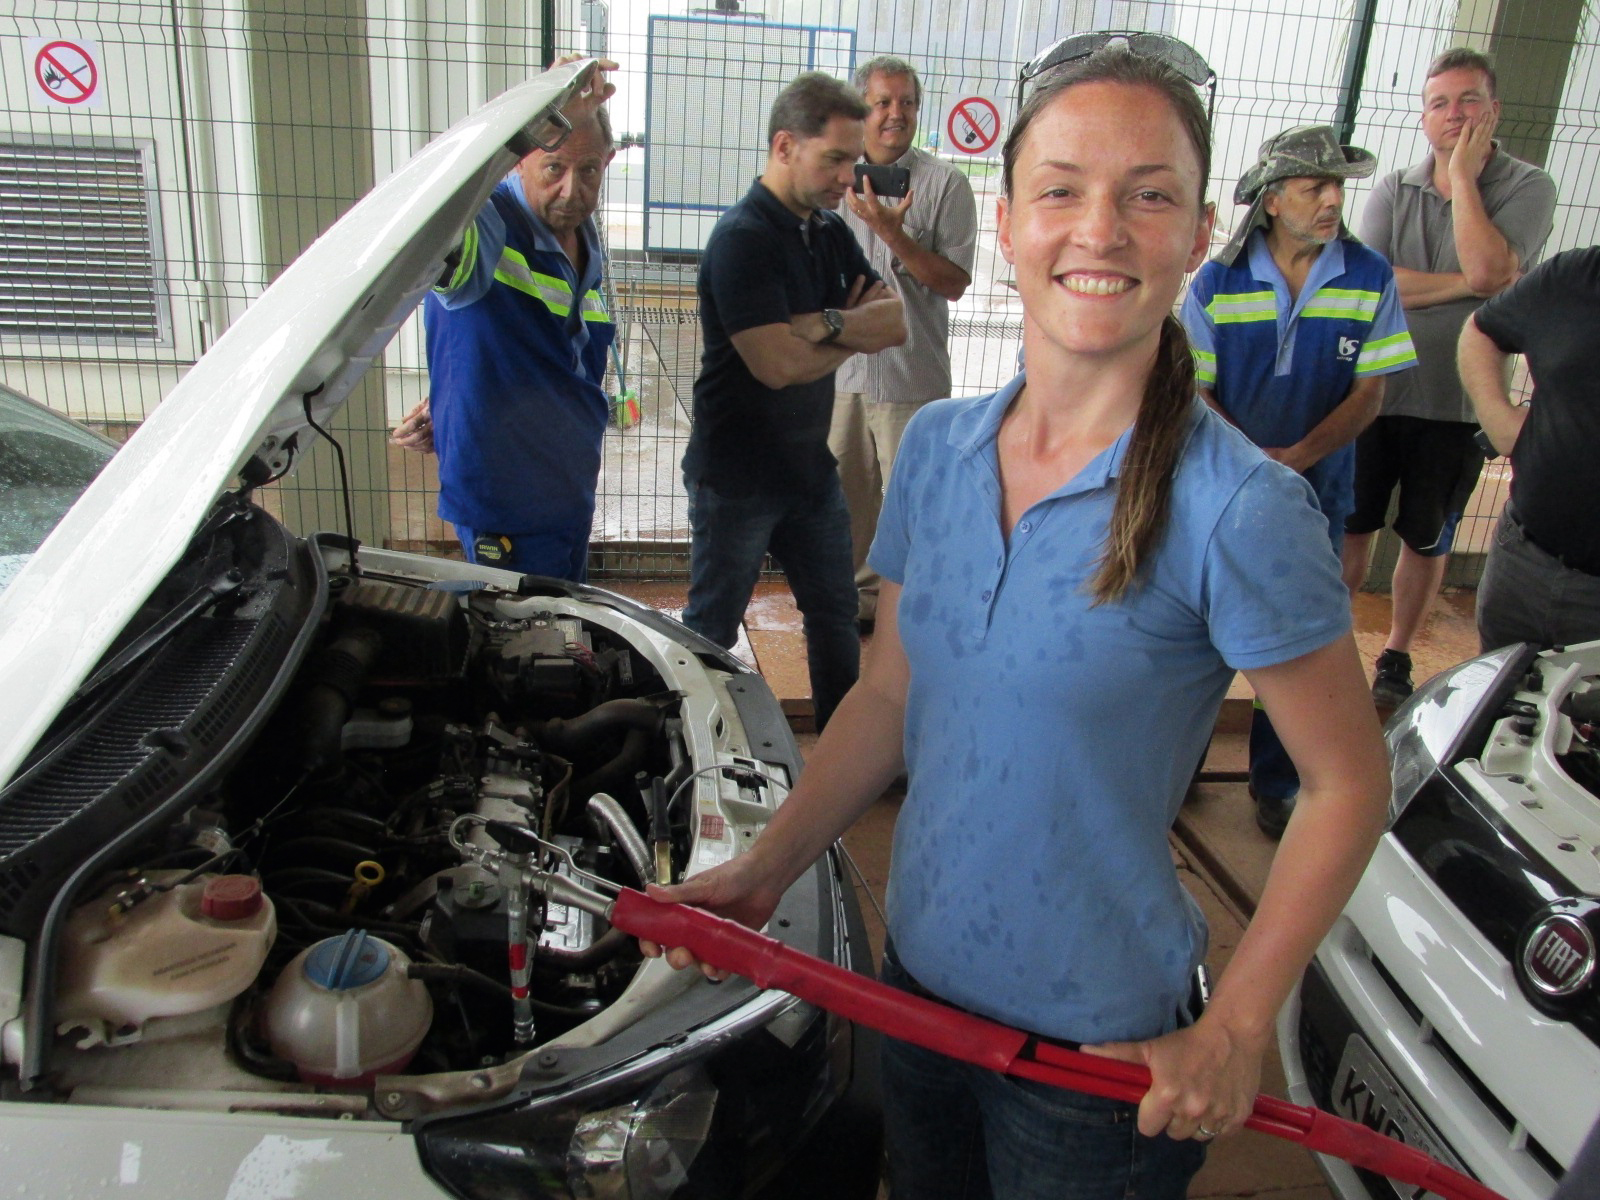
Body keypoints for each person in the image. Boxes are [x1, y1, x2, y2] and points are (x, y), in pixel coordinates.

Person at [645, 47, 1389, 1200]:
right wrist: (766, 867)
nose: (1099, 230)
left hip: (1095, 1060)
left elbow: (1347, 783)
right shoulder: (939, 452)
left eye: (1148, 194)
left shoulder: (1240, 506)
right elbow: (891, 697)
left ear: (1195, 235)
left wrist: (1238, 1027)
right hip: (915, 995)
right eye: (1060, 189)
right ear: (1005, 222)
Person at [1181, 124, 1415, 838]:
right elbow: (1193, 389)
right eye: (1315, 186)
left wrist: (1299, 457)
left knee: (1291, 641)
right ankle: (1177, 763)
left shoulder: (1369, 275)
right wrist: (1252, 461)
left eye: (1338, 186)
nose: (1331, 200)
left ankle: (1276, 783)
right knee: (1196, 632)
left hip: (1317, 496)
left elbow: (1370, 393)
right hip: (1217, 492)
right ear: (1273, 199)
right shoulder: (1218, 280)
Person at [681, 72, 907, 731]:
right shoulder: (743, 240)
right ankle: (695, 742)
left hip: (809, 471)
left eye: (852, 158)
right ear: (785, 146)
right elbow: (776, 367)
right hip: (737, 475)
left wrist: (824, 325)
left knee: (835, 614)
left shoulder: (827, 232)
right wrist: (848, 332)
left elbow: (893, 323)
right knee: (710, 629)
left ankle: (842, 748)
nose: (848, 176)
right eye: (835, 158)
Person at [1342, 47, 1556, 706]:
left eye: (1468, 101)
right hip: (1375, 393)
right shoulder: (1391, 188)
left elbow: (1495, 274)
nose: (1454, 115)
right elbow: (1372, 282)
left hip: (1459, 404)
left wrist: (1462, 180)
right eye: (1440, 103)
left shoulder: (1528, 187)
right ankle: (1328, 646)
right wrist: (1471, 282)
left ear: (1493, 111)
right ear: (1423, 115)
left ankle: (1397, 654)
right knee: (1352, 525)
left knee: (1426, 535)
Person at [390, 57, 618, 582]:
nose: (571, 189)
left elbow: (549, 350)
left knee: (566, 629)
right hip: (506, 499)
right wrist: (518, 115)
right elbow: (431, 206)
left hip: (568, 488)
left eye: (589, 170)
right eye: (553, 168)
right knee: (529, 642)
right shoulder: (484, 225)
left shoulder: (585, 239)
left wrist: (452, 399)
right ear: (518, 160)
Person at [831, 55, 978, 628]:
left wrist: (893, 233)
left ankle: (914, 609)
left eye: (907, 103)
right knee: (846, 498)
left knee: (916, 500)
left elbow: (956, 283)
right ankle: (861, 603)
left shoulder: (945, 186)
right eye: (882, 102)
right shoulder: (834, 180)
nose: (896, 115)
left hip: (910, 375)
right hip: (840, 374)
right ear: (859, 110)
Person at [1458, 246, 1600, 652]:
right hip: (1522, 559)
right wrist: (1498, 419)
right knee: (1499, 704)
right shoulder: (1575, 275)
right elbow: (1482, 331)